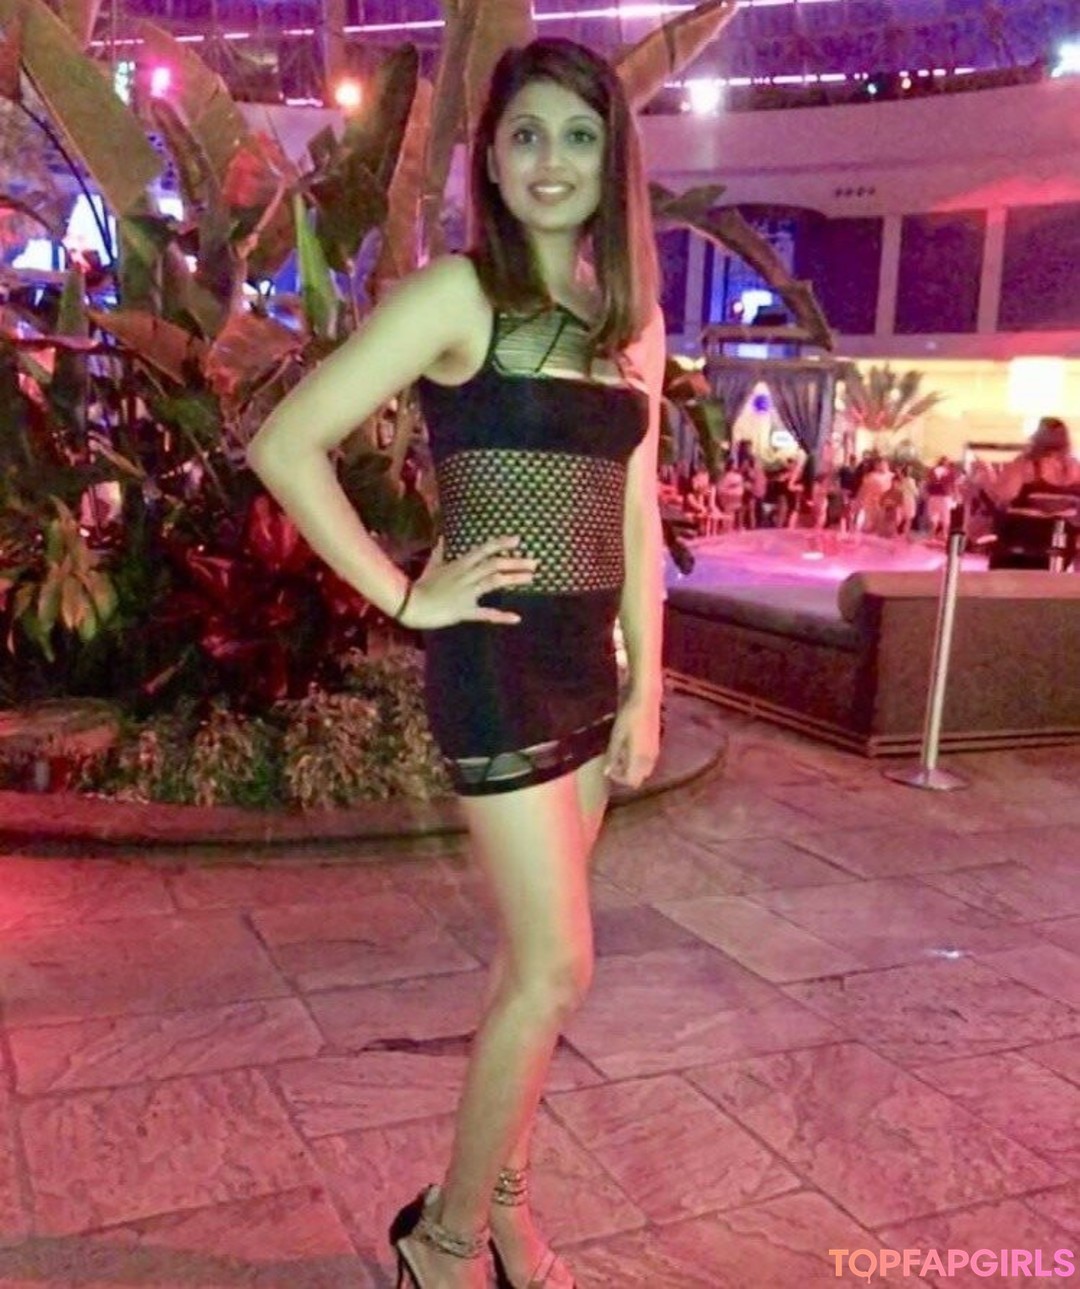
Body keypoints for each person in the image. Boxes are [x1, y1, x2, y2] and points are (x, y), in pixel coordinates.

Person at [247, 37, 665, 1289]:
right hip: (496, 666)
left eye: (579, 135)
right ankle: (440, 1240)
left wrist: (649, 680)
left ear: (613, 159)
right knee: (558, 967)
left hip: (589, 667)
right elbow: (287, 442)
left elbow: (638, 511)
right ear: (491, 158)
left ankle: (502, 1208)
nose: (552, 160)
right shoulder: (457, 298)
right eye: (526, 134)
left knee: (527, 968)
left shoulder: (627, 324)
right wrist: (403, 594)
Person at [988, 417, 1080, 570]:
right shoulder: (1075, 467)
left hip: (1023, 538)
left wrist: (987, 480)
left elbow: (1004, 495)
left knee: (1011, 581)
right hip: (1062, 539)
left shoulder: (1026, 465)